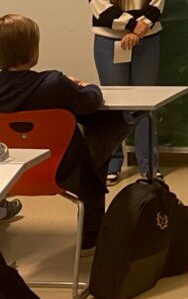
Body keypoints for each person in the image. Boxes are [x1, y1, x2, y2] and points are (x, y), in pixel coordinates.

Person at [0, 14, 129, 252]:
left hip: (9, 174)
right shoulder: (54, 83)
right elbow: (91, 101)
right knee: (109, 127)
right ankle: (90, 236)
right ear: (33, 51)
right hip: (62, 172)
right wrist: (85, 85)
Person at [87, 0, 166, 184]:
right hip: (111, 42)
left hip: (147, 40)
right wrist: (131, 27)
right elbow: (98, 5)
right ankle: (113, 163)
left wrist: (141, 29)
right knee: (114, 104)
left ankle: (149, 165)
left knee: (145, 104)